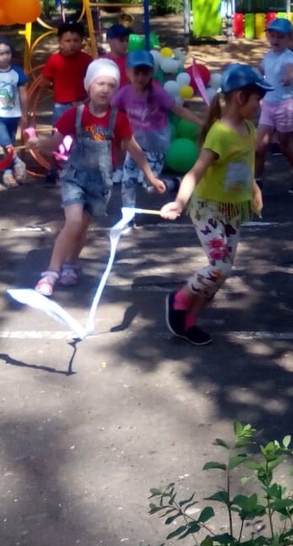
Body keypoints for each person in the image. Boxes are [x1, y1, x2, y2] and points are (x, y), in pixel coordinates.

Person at [29, 59, 165, 297]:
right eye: (100, 83)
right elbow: (53, 143)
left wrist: (150, 176)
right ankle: (51, 272)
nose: (105, 89)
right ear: (88, 86)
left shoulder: (118, 119)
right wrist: (39, 143)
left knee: (82, 227)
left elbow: (134, 149)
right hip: (75, 177)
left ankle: (71, 264)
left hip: (101, 181)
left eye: (111, 85)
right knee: (73, 223)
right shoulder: (75, 114)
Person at [159, 64, 268, 346]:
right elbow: (194, 173)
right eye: (257, 99)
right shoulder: (219, 133)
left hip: (232, 211)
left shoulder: (248, 129)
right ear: (240, 97)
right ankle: (179, 298)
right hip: (208, 210)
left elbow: (245, 165)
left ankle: (189, 321)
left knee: (220, 273)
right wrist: (179, 202)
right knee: (220, 267)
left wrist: (254, 189)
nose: (260, 105)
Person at [112, 50, 203, 207]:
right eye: (136, 72)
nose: (140, 77)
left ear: (151, 74)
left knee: (151, 186)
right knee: (128, 180)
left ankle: (176, 182)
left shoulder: (157, 93)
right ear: (127, 72)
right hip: (134, 144)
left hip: (155, 146)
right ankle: (128, 213)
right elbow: (111, 111)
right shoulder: (124, 93)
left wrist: (201, 123)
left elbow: (179, 110)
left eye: (145, 73)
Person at [255, 17, 293, 196]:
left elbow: (290, 68)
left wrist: (289, 76)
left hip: (285, 107)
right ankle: (257, 183)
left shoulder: (288, 56)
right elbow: (259, 72)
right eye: (272, 36)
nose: (276, 40)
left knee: (285, 146)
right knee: (259, 147)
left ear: (289, 39)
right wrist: (241, 72)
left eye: (280, 37)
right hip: (268, 105)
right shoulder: (268, 56)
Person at [39, 20, 94, 184]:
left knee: (83, 138)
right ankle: (52, 170)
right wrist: (55, 87)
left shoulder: (87, 60)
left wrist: (86, 100)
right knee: (56, 137)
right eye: (68, 41)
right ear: (60, 42)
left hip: (82, 105)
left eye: (76, 40)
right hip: (61, 106)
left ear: (82, 41)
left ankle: (81, 170)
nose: (72, 44)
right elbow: (44, 81)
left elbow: (94, 82)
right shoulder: (54, 60)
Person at [0, 37, 29, 157]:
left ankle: (10, 166)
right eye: (1, 54)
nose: (5, 56)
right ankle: (16, 162)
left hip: (13, 115)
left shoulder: (17, 72)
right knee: (6, 142)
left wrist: (24, 115)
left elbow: (23, 95)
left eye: (8, 52)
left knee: (10, 144)